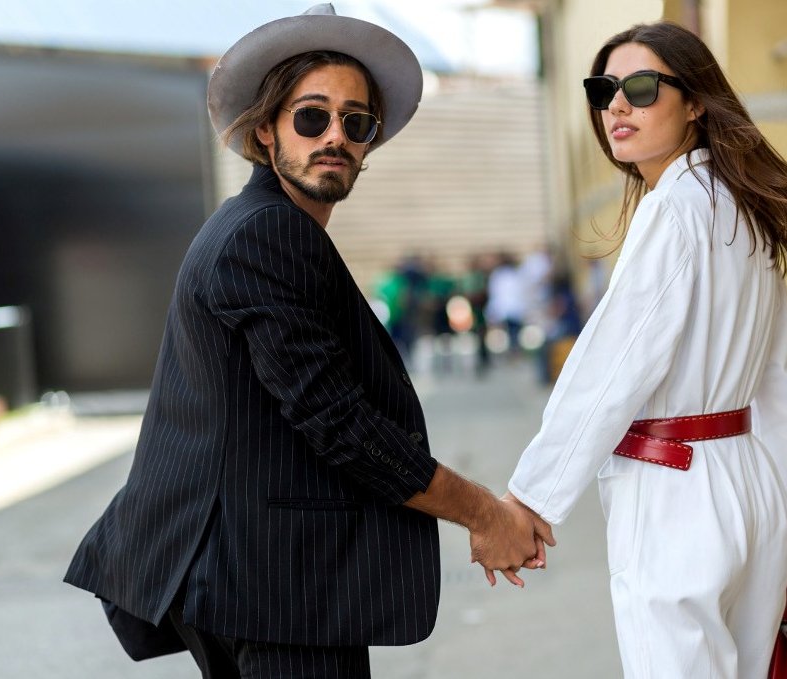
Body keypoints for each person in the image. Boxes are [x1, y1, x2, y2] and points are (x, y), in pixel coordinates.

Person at [64, 5, 553, 678]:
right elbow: (340, 422)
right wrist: (483, 513)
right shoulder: (266, 233)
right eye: (312, 116)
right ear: (266, 128)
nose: (336, 137)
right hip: (271, 588)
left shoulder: (263, 226)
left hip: (252, 584)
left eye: (357, 123)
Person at [501, 20, 787, 678]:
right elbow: (784, 374)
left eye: (640, 87)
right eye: (603, 89)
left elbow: (612, 366)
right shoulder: (739, 208)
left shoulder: (673, 210)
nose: (616, 105)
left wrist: (530, 500)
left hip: (677, 488)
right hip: (753, 485)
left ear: (695, 101)